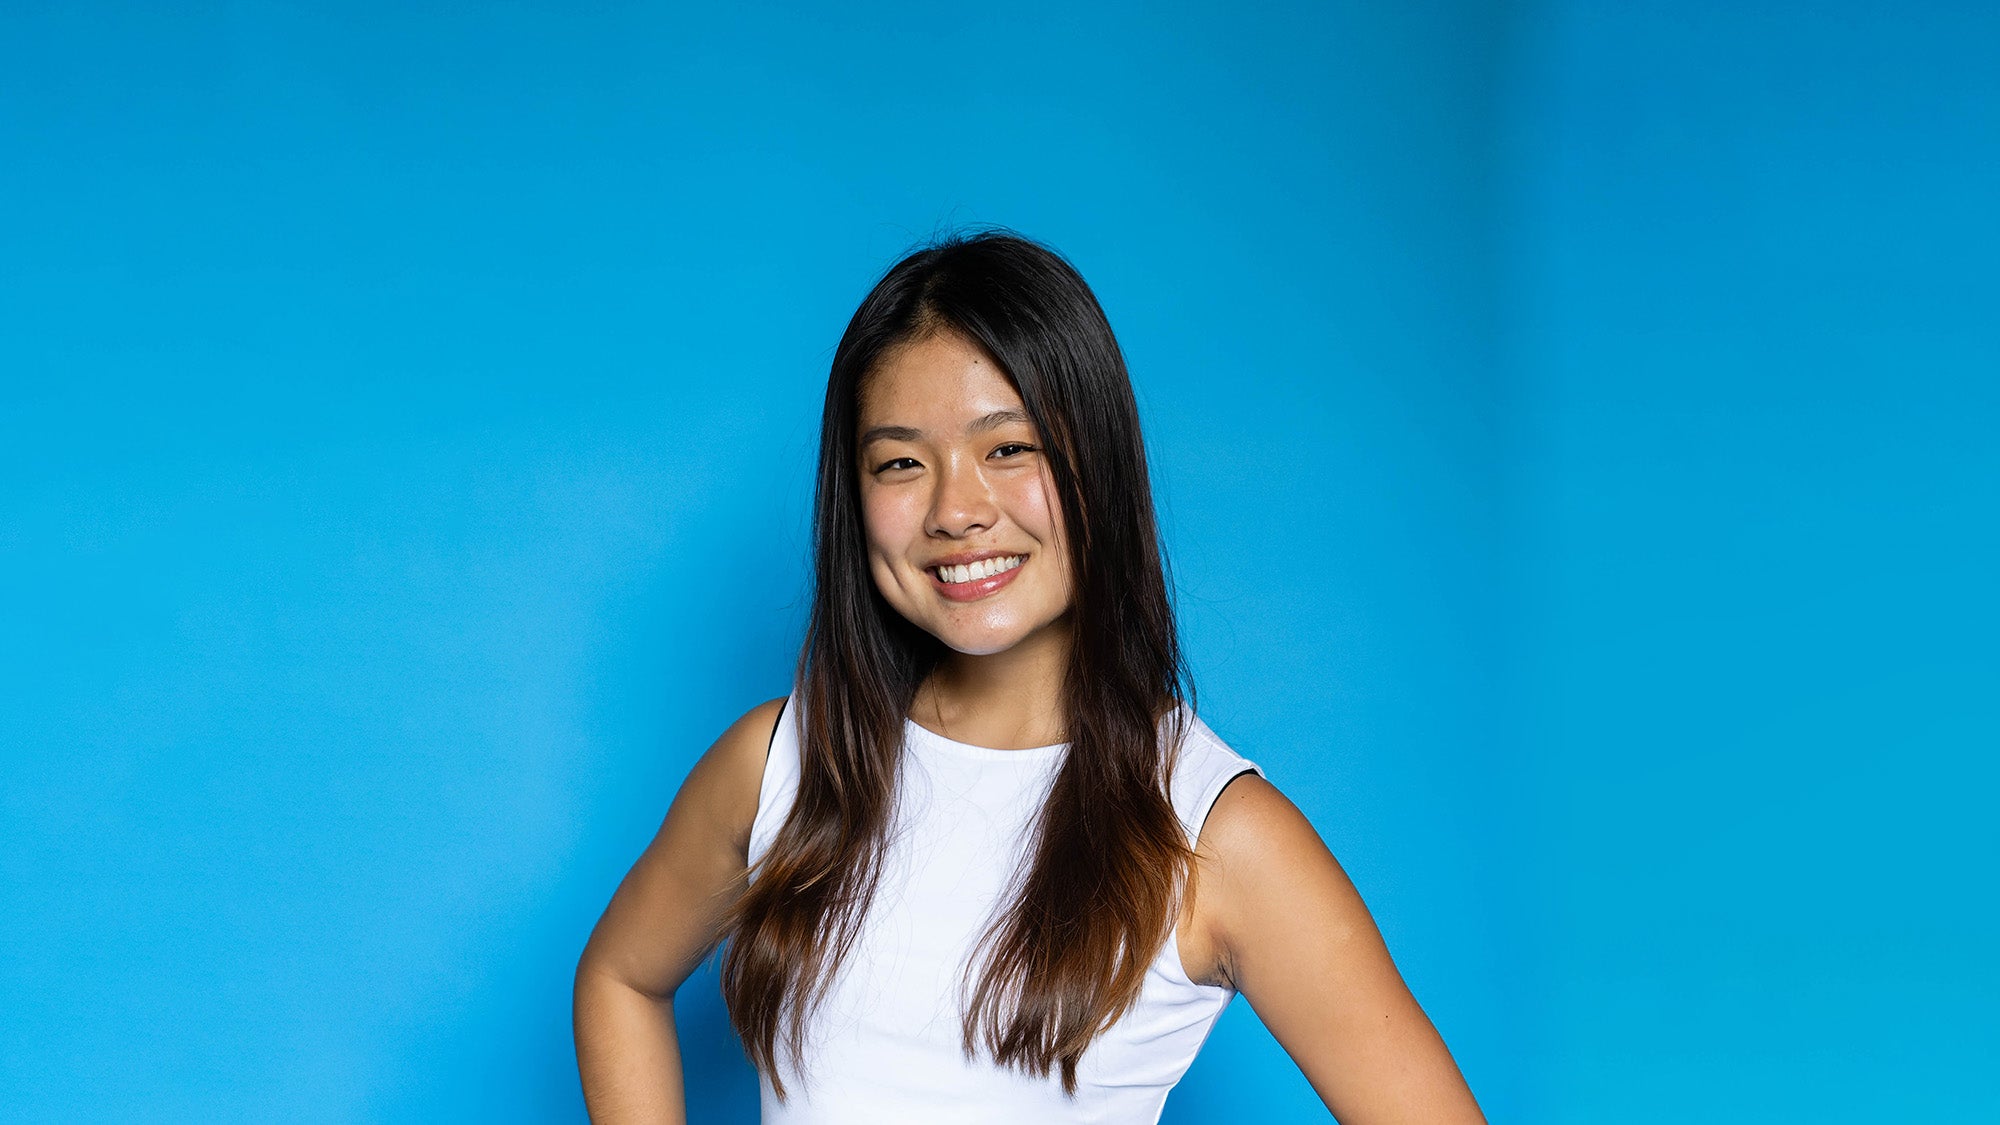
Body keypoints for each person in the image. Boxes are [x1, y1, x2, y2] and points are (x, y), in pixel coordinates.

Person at [573, 230, 1486, 1124]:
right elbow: (619, 978)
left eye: (1009, 448)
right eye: (900, 463)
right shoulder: (778, 762)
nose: (957, 510)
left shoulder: (1214, 832)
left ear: (1100, 464)